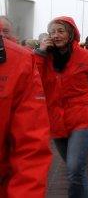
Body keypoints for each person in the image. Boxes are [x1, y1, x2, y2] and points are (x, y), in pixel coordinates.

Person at [35, 16, 88, 198]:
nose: (56, 35)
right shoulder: (45, 59)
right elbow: (34, 82)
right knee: (76, 171)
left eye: (60, 31)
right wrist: (41, 54)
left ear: (71, 33)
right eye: (52, 32)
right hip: (57, 121)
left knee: (74, 169)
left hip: (83, 119)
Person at [0, 35, 52, 198]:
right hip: (53, 115)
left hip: (78, 117)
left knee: (75, 168)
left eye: (61, 31)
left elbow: (31, 149)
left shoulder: (18, 60)